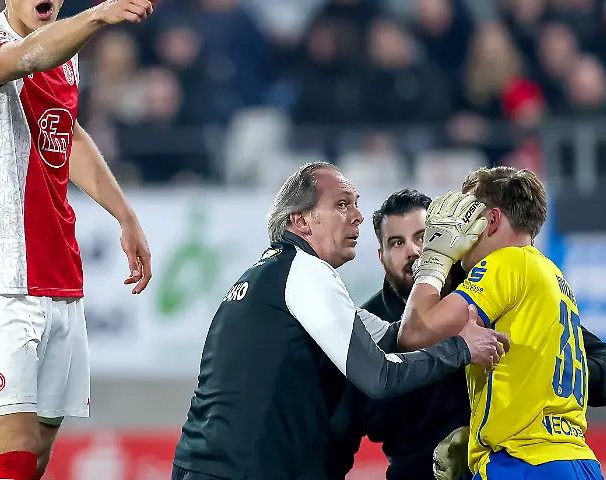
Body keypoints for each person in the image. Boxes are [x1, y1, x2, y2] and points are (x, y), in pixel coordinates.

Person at [0, 0, 160, 480]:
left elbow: (67, 131)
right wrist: (103, 13)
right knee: (10, 458)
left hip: (60, 280)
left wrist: (124, 214)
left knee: (34, 460)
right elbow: (26, 58)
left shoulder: (70, 53)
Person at [172, 162, 511, 480]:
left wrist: (439, 316)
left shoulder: (265, 277)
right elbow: (379, 376)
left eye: (356, 204)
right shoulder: (307, 271)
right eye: (342, 205)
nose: (358, 216)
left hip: (198, 465)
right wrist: (461, 349)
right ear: (302, 221)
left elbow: (396, 337)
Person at [305, 189, 606, 480]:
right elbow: (335, 440)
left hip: (505, 466)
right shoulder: (365, 327)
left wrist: (539, 376)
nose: (415, 251)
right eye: (397, 243)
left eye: (424, 236)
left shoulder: (489, 293)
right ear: (381, 257)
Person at [397, 167, 606, 479]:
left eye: (466, 217)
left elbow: (415, 332)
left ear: (492, 221)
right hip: (577, 461)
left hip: (521, 462)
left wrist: (434, 258)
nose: (459, 229)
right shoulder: (553, 277)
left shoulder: (504, 262)